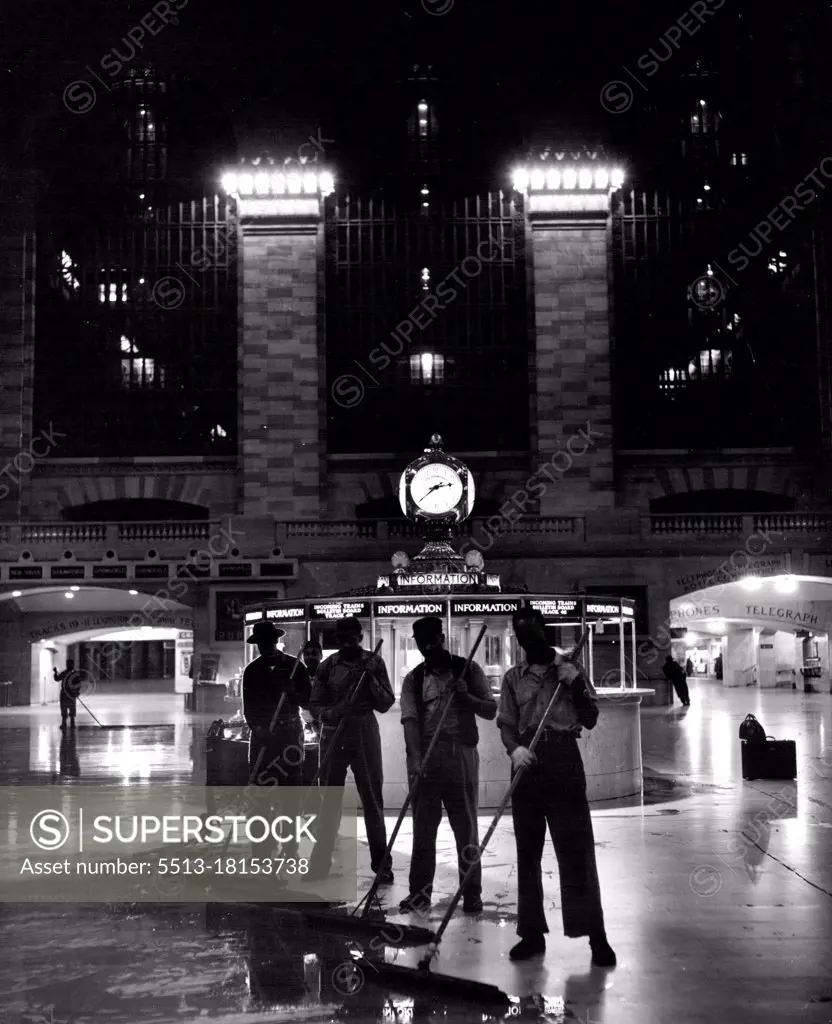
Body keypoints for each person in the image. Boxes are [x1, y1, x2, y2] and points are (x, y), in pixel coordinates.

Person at [498, 608, 616, 966]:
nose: (526, 641)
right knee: (527, 853)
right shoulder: (513, 677)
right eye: (520, 636)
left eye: (532, 633)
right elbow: (506, 722)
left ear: (544, 631)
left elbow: (591, 718)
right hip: (526, 764)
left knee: (576, 850)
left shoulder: (571, 668)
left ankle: (597, 937)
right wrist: (514, 749)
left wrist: (576, 683)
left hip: (563, 760)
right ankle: (531, 935)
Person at [398, 615, 497, 915]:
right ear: (418, 645)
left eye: (433, 639)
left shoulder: (467, 670)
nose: (429, 646)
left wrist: (466, 696)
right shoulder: (413, 679)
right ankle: (419, 894)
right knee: (423, 829)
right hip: (427, 759)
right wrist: (415, 757)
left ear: (442, 638)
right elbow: (410, 720)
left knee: (465, 827)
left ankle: (472, 894)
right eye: (422, 643)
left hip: (460, 755)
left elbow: (491, 710)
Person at [308, 617, 395, 883]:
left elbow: (386, 703)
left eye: (353, 637)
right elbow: (314, 705)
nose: (349, 642)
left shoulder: (374, 663)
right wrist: (333, 712)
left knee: (372, 799)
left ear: (360, 636)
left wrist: (370, 679)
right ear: (338, 639)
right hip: (334, 733)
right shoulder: (327, 666)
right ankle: (320, 863)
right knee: (329, 801)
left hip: (364, 731)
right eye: (343, 638)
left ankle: (382, 866)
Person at [242, 620, 311, 861]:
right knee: (259, 795)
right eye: (261, 644)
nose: (265, 647)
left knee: (291, 795)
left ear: (276, 641)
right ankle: (262, 849)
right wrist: (259, 729)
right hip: (262, 738)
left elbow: (307, 700)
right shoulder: (252, 671)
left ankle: (290, 848)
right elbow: (248, 708)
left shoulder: (295, 667)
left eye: (269, 642)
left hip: (289, 736)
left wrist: (293, 692)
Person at [53, 659, 83, 730]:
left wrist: (77, 692)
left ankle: (69, 723)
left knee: (67, 707)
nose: (68, 665)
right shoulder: (71, 673)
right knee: (67, 707)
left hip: (68, 693)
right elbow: (57, 678)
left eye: (69, 664)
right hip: (68, 693)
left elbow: (78, 684)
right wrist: (55, 672)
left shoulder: (67, 673)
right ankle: (66, 723)